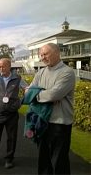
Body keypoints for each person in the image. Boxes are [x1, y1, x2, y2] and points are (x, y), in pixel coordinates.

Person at [30, 43, 75, 174]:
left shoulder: (67, 72)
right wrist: (46, 96)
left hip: (59, 124)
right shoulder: (41, 72)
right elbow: (28, 93)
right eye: (41, 55)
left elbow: (54, 94)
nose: (42, 57)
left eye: (46, 54)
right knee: (44, 161)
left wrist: (38, 95)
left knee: (59, 163)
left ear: (57, 53)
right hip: (43, 122)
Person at [0, 58, 27, 169]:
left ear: (9, 66)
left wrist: (21, 101)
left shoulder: (17, 78)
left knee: (11, 137)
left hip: (12, 113)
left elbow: (26, 89)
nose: (1, 69)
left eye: (3, 66)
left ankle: (9, 160)